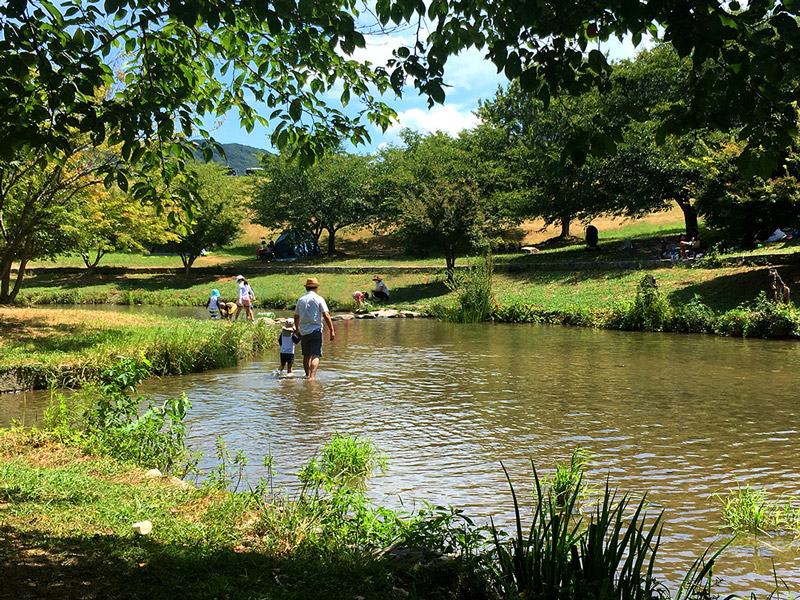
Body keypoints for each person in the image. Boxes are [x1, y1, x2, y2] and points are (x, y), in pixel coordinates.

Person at [294, 277, 335, 379]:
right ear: (316, 288)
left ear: (306, 288)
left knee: (306, 355)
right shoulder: (319, 299)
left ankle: (307, 375)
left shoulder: (301, 300)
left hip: (304, 332)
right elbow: (326, 315)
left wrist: (297, 329)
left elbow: (296, 316)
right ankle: (312, 378)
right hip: (315, 330)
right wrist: (332, 330)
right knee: (315, 355)